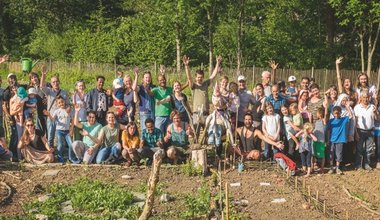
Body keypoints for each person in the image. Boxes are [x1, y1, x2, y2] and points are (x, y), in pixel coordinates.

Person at [184, 55, 221, 139]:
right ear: (196, 77)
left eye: (201, 77)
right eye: (198, 77)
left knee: (206, 133)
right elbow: (189, 77)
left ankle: (205, 149)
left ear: (203, 77)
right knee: (196, 133)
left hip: (205, 113)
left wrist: (218, 63)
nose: (199, 79)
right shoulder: (193, 86)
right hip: (196, 114)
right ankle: (196, 149)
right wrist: (186, 66)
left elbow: (213, 76)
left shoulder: (205, 84)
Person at [40, 69, 70, 148]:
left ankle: (61, 153)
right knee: (50, 137)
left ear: (59, 82)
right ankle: (51, 153)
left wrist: (68, 109)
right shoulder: (49, 91)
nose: (55, 83)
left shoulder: (64, 92)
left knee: (61, 138)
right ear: (51, 83)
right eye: (53, 82)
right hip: (51, 117)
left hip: (61, 119)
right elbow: (41, 87)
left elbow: (67, 104)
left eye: (57, 81)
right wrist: (43, 75)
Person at [44, 96, 76, 163]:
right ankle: (59, 157)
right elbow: (53, 119)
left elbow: (72, 120)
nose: (61, 104)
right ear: (57, 104)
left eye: (62, 102)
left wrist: (71, 129)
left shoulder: (69, 110)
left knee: (70, 144)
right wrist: (49, 114)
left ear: (64, 102)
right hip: (59, 131)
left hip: (67, 131)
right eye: (59, 103)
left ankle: (70, 158)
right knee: (60, 145)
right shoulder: (56, 111)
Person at [354, 92, 378, 170]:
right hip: (360, 131)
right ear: (360, 98)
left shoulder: (372, 106)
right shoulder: (357, 107)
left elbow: (377, 119)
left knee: (369, 149)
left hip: (370, 131)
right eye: (364, 97)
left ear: (369, 98)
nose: (365, 99)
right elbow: (355, 121)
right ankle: (358, 165)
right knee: (359, 149)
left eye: (367, 97)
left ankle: (367, 164)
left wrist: (375, 112)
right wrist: (356, 133)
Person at [327, 105, 353, 175]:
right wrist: (328, 140)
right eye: (335, 113)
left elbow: (351, 116)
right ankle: (332, 167)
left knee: (339, 154)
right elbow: (329, 131)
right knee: (331, 155)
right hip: (332, 140)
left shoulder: (343, 119)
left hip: (340, 140)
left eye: (338, 112)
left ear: (340, 113)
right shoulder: (330, 121)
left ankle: (338, 167)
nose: (337, 114)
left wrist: (348, 107)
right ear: (333, 113)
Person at [313, 108, 328, 173]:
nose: (316, 114)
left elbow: (326, 114)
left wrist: (325, 107)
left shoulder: (323, 121)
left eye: (317, 113)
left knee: (322, 155)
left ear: (320, 114)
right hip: (315, 141)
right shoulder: (316, 122)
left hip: (321, 141)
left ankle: (322, 168)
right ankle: (313, 167)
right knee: (314, 154)